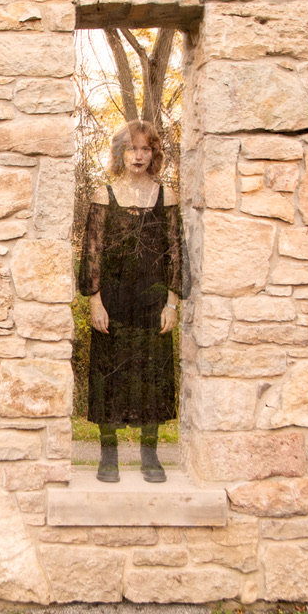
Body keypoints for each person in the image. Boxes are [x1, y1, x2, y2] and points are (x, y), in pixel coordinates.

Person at [78, 120, 182, 483]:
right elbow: (91, 252)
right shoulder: (103, 194)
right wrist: (95, 302)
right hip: (113, 302)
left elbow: (175, 252)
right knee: (110, 375)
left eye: (145, 149)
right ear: (120, 152)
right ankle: (109, 456)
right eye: (131, 148)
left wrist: (172, 303)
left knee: (152, 375)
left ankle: (150, 455)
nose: (138, 156)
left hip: (153, 303)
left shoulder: (166, 195)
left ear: (154, 154)